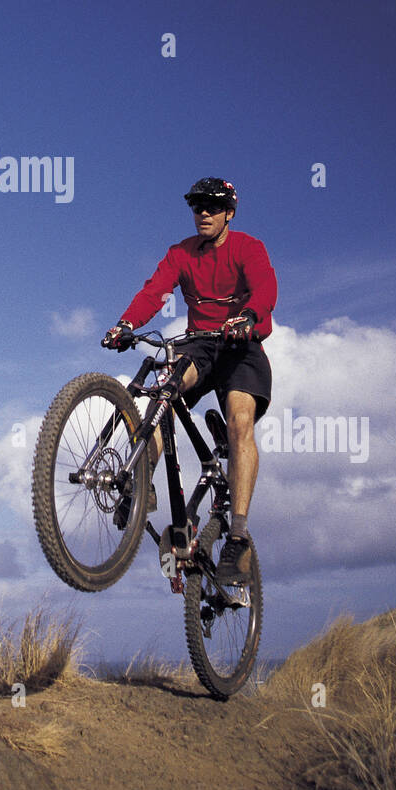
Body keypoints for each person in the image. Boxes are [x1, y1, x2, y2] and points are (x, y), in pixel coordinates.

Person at [102, 177, 277, 584]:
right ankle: (140, 482)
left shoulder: (248, 248)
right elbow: (155, 291)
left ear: (229, 213)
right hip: (200, 346)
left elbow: (265, 286)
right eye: (197, 206)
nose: (203, 213)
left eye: (213, 207)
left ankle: (237, 535)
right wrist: (126, 323)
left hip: (241, 345)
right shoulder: (181, 253)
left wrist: (249, 315)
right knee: (163, 391)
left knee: (239, 421)